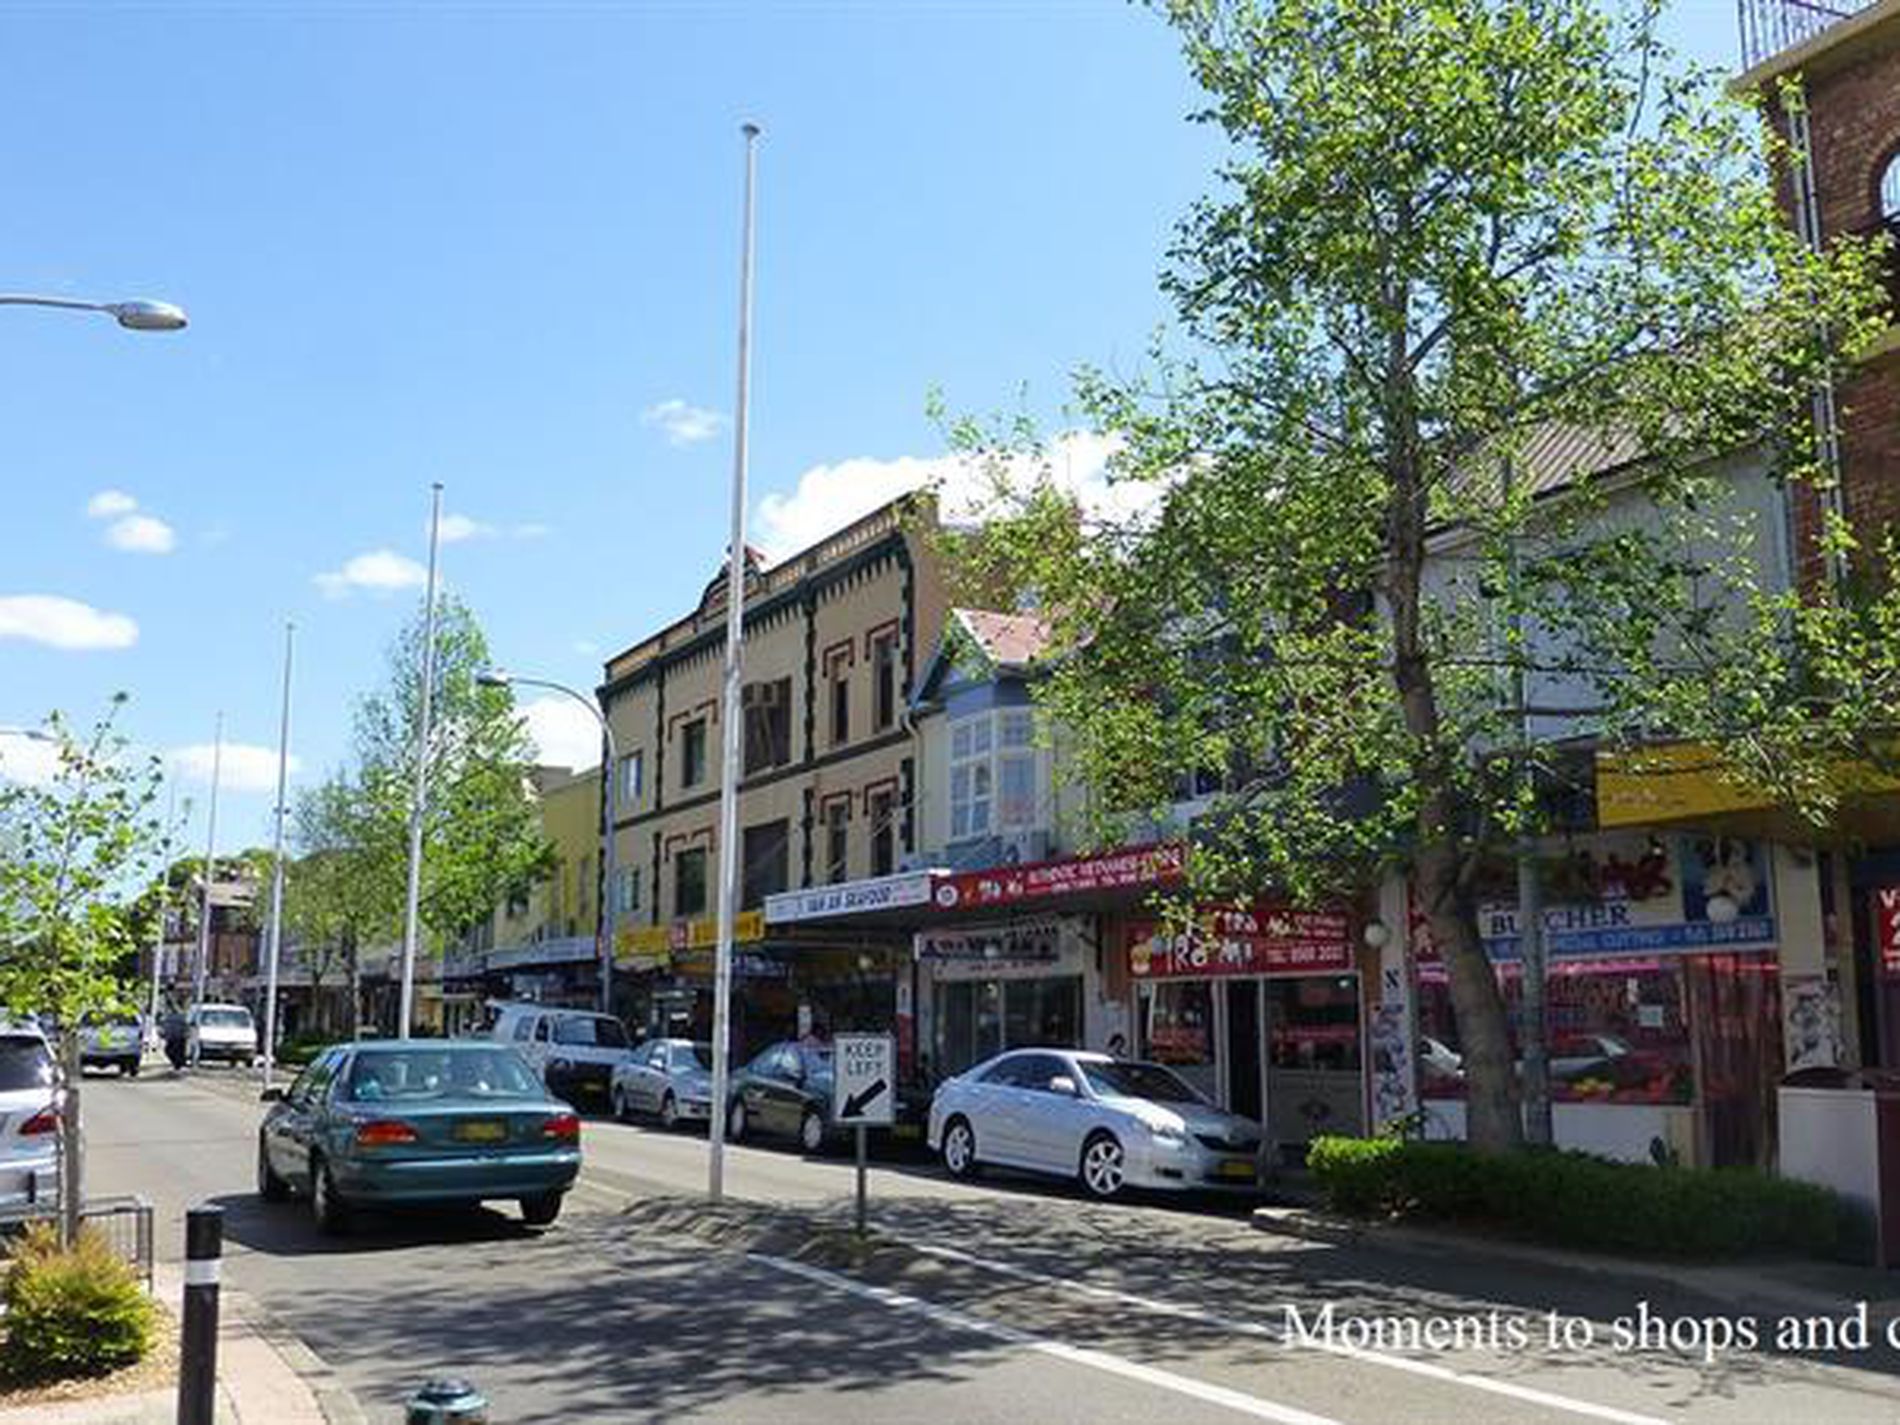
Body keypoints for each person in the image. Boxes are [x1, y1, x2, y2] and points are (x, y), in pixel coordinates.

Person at [161, 1008, 187, 1074]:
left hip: (174, 1037)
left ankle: (178, 1065)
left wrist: (164, 1035)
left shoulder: (169, 1018)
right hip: (178, 1037)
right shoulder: (180, 1017)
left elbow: (165, 1028)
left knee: (171, 1051)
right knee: (176, 1051)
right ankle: (177, 1065)